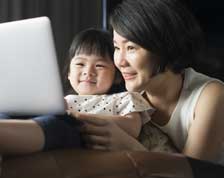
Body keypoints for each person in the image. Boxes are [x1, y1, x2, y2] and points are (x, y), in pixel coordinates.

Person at [71, 0, 224, 177]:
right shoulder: (130, 96)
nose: (120, 61)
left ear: (164, 47)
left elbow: (192, 173)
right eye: (116, 47)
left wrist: (129, 146)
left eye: (130, 48)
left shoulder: (211, 95)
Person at [0, 28, 175, 155]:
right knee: (9, 112)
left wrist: (76, 117)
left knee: (58, 124)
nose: (88, 71)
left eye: (99, 65)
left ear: (117, 76)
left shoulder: (124, 98)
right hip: (54, 129)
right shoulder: (61, 100)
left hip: (83, 136)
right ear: (68, 73)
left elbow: (132, 126)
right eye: (80, 64)